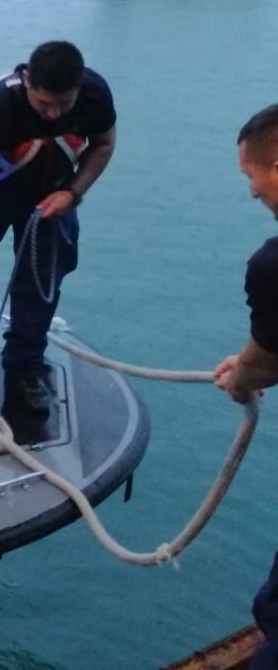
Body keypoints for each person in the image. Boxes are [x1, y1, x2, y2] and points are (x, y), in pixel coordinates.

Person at [0, 41, 116, 412]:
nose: (53, 113)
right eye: (44, 103)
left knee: (41, 281)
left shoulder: (95, 95)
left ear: (79, 87)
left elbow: (105, 144)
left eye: (63, 104)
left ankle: (25, 367)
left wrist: (73, 194)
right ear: (27, 80)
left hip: (53, 196)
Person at [213, 104, 278, 669]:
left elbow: (262, 368)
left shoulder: (273, 265)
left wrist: (244, 375)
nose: (251, 189)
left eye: (252, 175)